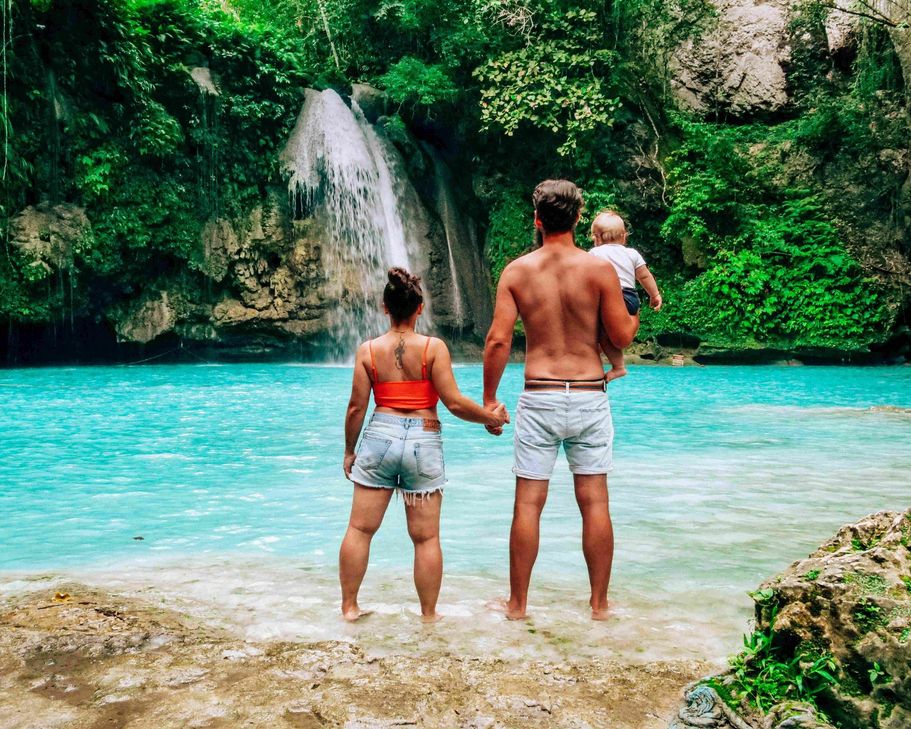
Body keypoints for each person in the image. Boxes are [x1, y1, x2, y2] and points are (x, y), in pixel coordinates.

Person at [482, 180, 639, 621]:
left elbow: (497, 342)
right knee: (595, 502)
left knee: (528, 503)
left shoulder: (517, 272)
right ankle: (599, 606)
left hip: (541, 396)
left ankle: (517, 606)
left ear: (537, 220)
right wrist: (635, 298)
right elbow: (623, 335)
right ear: (577, 219)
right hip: (589, 394)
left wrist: (490, 401)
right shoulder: (599, 271)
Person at [341, 267, 509, 623]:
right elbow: (454, 403)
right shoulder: (434, 348)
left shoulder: (368, 351)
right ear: (420, 309)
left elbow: (357, 407)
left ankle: (350, 608)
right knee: (426, 538)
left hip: (380, 437)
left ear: (384, 307)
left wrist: (349, 450)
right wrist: (491, 417)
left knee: (359, 529)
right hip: (423, 436)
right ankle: (429, 616)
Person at [589, 210, 663, 382]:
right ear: (623, 236)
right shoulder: (632, 254)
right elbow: (644, 276)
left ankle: (618, 366)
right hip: (630, 299)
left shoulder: (594, 253)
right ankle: (618, 366)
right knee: (606, 334)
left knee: (600, 333)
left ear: (597, 238)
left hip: (611, 297)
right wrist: (655, 295)